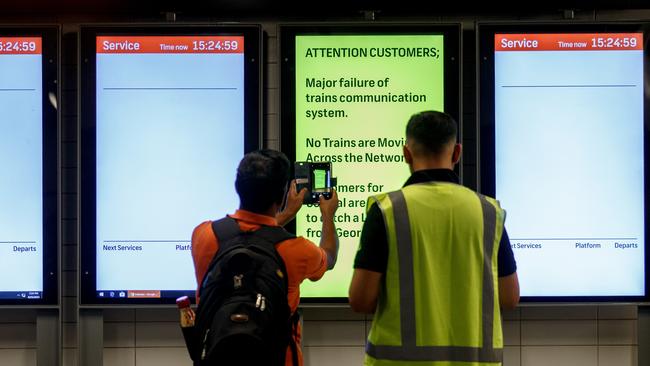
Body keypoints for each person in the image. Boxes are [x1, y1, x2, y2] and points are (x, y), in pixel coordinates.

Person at [349, 111, 519, 366]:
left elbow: (361, 300)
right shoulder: (488, 212)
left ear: (406, 154)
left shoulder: (387, 210)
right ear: (457, 153)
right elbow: (509, 297)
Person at [191, 149, 339, 366]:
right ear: (281, 195)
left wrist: (286, 214)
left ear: (237, 187)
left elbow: (248, 235)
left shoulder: (204, 235)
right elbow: (330, 257)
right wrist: (328, 214)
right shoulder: (296, 250)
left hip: (216, 356)